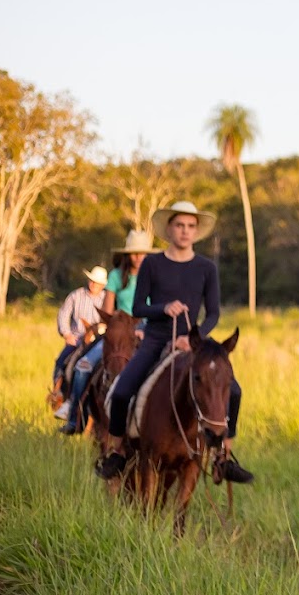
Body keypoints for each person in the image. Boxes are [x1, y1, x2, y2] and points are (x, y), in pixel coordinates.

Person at [94, 202, 253, 484]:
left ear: (197, 231)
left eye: (191, 226)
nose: (185, 231)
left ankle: (225, 456)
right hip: (156, 337)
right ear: (169, 229)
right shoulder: (153, 264)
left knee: (235, 391)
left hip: (194, 341)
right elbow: (140, 308)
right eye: (180, 225)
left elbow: (213, 312)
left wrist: (195, 337)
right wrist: (163, 308)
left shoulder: (206, 267)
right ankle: (118, 452)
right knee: (121, 392)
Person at [61, 231, 158, 435]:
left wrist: (145, 330)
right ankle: (75, 417)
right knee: (83, 365)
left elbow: (158, 307)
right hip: (119, 328)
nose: (139, 258)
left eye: (142, 254)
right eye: (134, 254)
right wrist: (118, 326)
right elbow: (108, 308)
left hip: (147, 330)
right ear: (127, 254)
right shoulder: (115, 276)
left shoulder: (155, 275)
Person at [52, 267, 108, 421]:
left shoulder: (106, 299)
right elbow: (63, 314)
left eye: (97, 283)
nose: (94, 285)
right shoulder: (76, 295)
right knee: (63, 362)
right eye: (92, 281)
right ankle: (61, 394)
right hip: (77, 339)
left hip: (99, 340)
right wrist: (67, 333)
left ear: (103, 285)